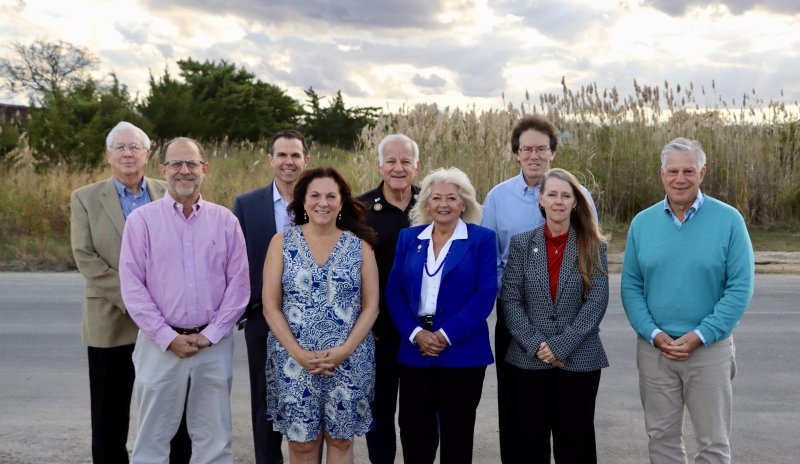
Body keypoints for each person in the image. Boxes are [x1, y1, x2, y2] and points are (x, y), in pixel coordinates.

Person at [621, 137, 755, 464]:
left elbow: (740, 286)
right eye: (673, 171)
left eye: (688, 171)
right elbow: (631, 286)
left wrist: (702, 334)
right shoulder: (642, 223)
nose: (680, 178)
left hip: (709, 349)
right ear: (662, 174)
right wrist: (653, 333)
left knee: (713, 444)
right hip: (655, 349)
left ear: (702, 173)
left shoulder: (729, 220)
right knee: (661, 440)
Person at [119, 137, 249, 463]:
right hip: (159, 345)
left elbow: (239, 286)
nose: (184, 170)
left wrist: (210, 334)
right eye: (176, 163)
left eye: (192, 163)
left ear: (204, 168)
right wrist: (167, 337)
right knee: (151, 441)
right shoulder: (141, 221)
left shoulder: (225, 221)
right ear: (163, 169)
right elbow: (133, 288)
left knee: (215, 441)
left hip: (213, 345)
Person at [70, 121, 191, 464]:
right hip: (110, 319)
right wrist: (137, 302)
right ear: (108, 155)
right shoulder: (85, 198)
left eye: (135, 147)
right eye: (120, 147)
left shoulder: (169, 192)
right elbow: (85, 257)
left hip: (167, 320)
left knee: (171, 408)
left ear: (148, 155)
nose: (127, 153)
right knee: (109, 413)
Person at [480, 114, 597, 463]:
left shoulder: (577, 194)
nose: (534, 155)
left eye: (541, 149)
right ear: (516, 153)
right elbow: (489, 258)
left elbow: (590, 255)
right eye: (527, 149)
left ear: (552, 152)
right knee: (520, 418)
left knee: (572, 419)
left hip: (570, 317)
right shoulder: (498, 198)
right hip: (516, 317)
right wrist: (514, 306)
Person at [262, 167, 379, 463]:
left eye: (331, 196)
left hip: (349, 360)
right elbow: (270, 305)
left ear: (341, 202)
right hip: (293, 361)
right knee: (302, 443)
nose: (322, 203)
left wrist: (344, 351)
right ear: (303, 201)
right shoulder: (281, 242)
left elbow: (371, 306)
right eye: (315, 195)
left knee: (340, 441)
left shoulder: (360, 246)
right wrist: (298, 353)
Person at [386, 167, 497, 464]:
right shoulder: (409, 238)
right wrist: (416, 334)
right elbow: (394, 293)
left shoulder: (482, 239)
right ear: (426, 202)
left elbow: (485, 295)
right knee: (414, 433)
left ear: (464, 204)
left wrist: (445, 336)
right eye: (436, 198)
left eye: (451, 198)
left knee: (457, 436)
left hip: (462, 352)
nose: (443, 204)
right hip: (415, 350)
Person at [501, 168, 609, 463]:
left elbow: (597, 300)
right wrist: (537, 345)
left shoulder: (593, 244)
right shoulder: (522, 244)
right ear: (541, 199)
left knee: (576, 444)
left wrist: (560, 346)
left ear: (575, 202)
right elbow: (511, 299)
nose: (558, 201)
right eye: (552, 195)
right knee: (529, 443)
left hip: (580, 358)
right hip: (528, 358)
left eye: (565, 195)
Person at [234, 129, 310, 464]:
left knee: (308, 402)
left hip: (312, 319)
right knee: (265, 402)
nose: (288, 162)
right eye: (282, 155)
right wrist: (243, 312)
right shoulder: (247, 204)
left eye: (295, 155)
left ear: (306, 160)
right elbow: (234, 261)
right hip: (262, 318)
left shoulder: (321, 201)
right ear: (270, 160)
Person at [358, 134, 421, 464]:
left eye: (405, 161)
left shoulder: (433, 204)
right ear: (379, 165)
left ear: (416, 166)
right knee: (379, 413)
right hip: (377, 332)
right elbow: (349, 270)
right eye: (391, 161)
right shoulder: (359, 210)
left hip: (422, 334)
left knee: (419, 416)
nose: (399, 168)